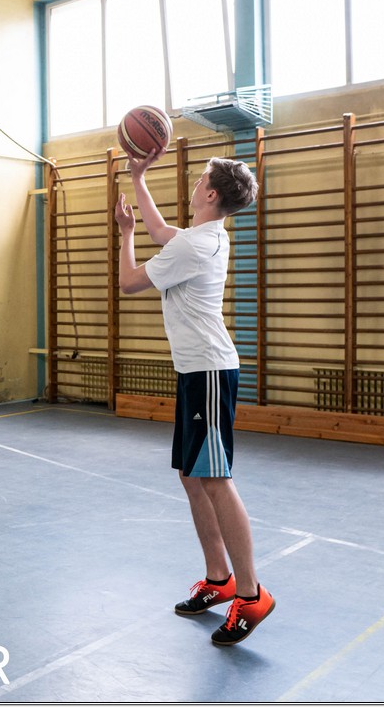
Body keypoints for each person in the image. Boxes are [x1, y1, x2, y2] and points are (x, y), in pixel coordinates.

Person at [113, 150, 273, 646]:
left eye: (201, 177)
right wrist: (139, 178)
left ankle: (251, 594)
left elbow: (128, 282)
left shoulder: (196, 245)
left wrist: (124, 234)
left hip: (209, 371)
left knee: (216, 479)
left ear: (210, 193)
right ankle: (218, 578)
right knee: (192, 475)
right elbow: (162, 230)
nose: (195, 181)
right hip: (195, 370)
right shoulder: (203, 236)